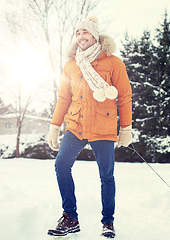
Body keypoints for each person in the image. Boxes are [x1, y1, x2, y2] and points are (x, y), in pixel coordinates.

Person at [46, 16, 132, 238]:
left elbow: (124, 96)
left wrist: (126, 128)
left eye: (85, 33)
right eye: (77, 33)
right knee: (61, 165)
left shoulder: (113, 62)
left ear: (95, 36)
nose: (81, 37)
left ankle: (108, 221)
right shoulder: (71, 65)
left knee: (107, 175)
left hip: (103, 126)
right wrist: (55, 126)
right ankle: (70, 217)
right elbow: (64, 98)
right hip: (76, 125)